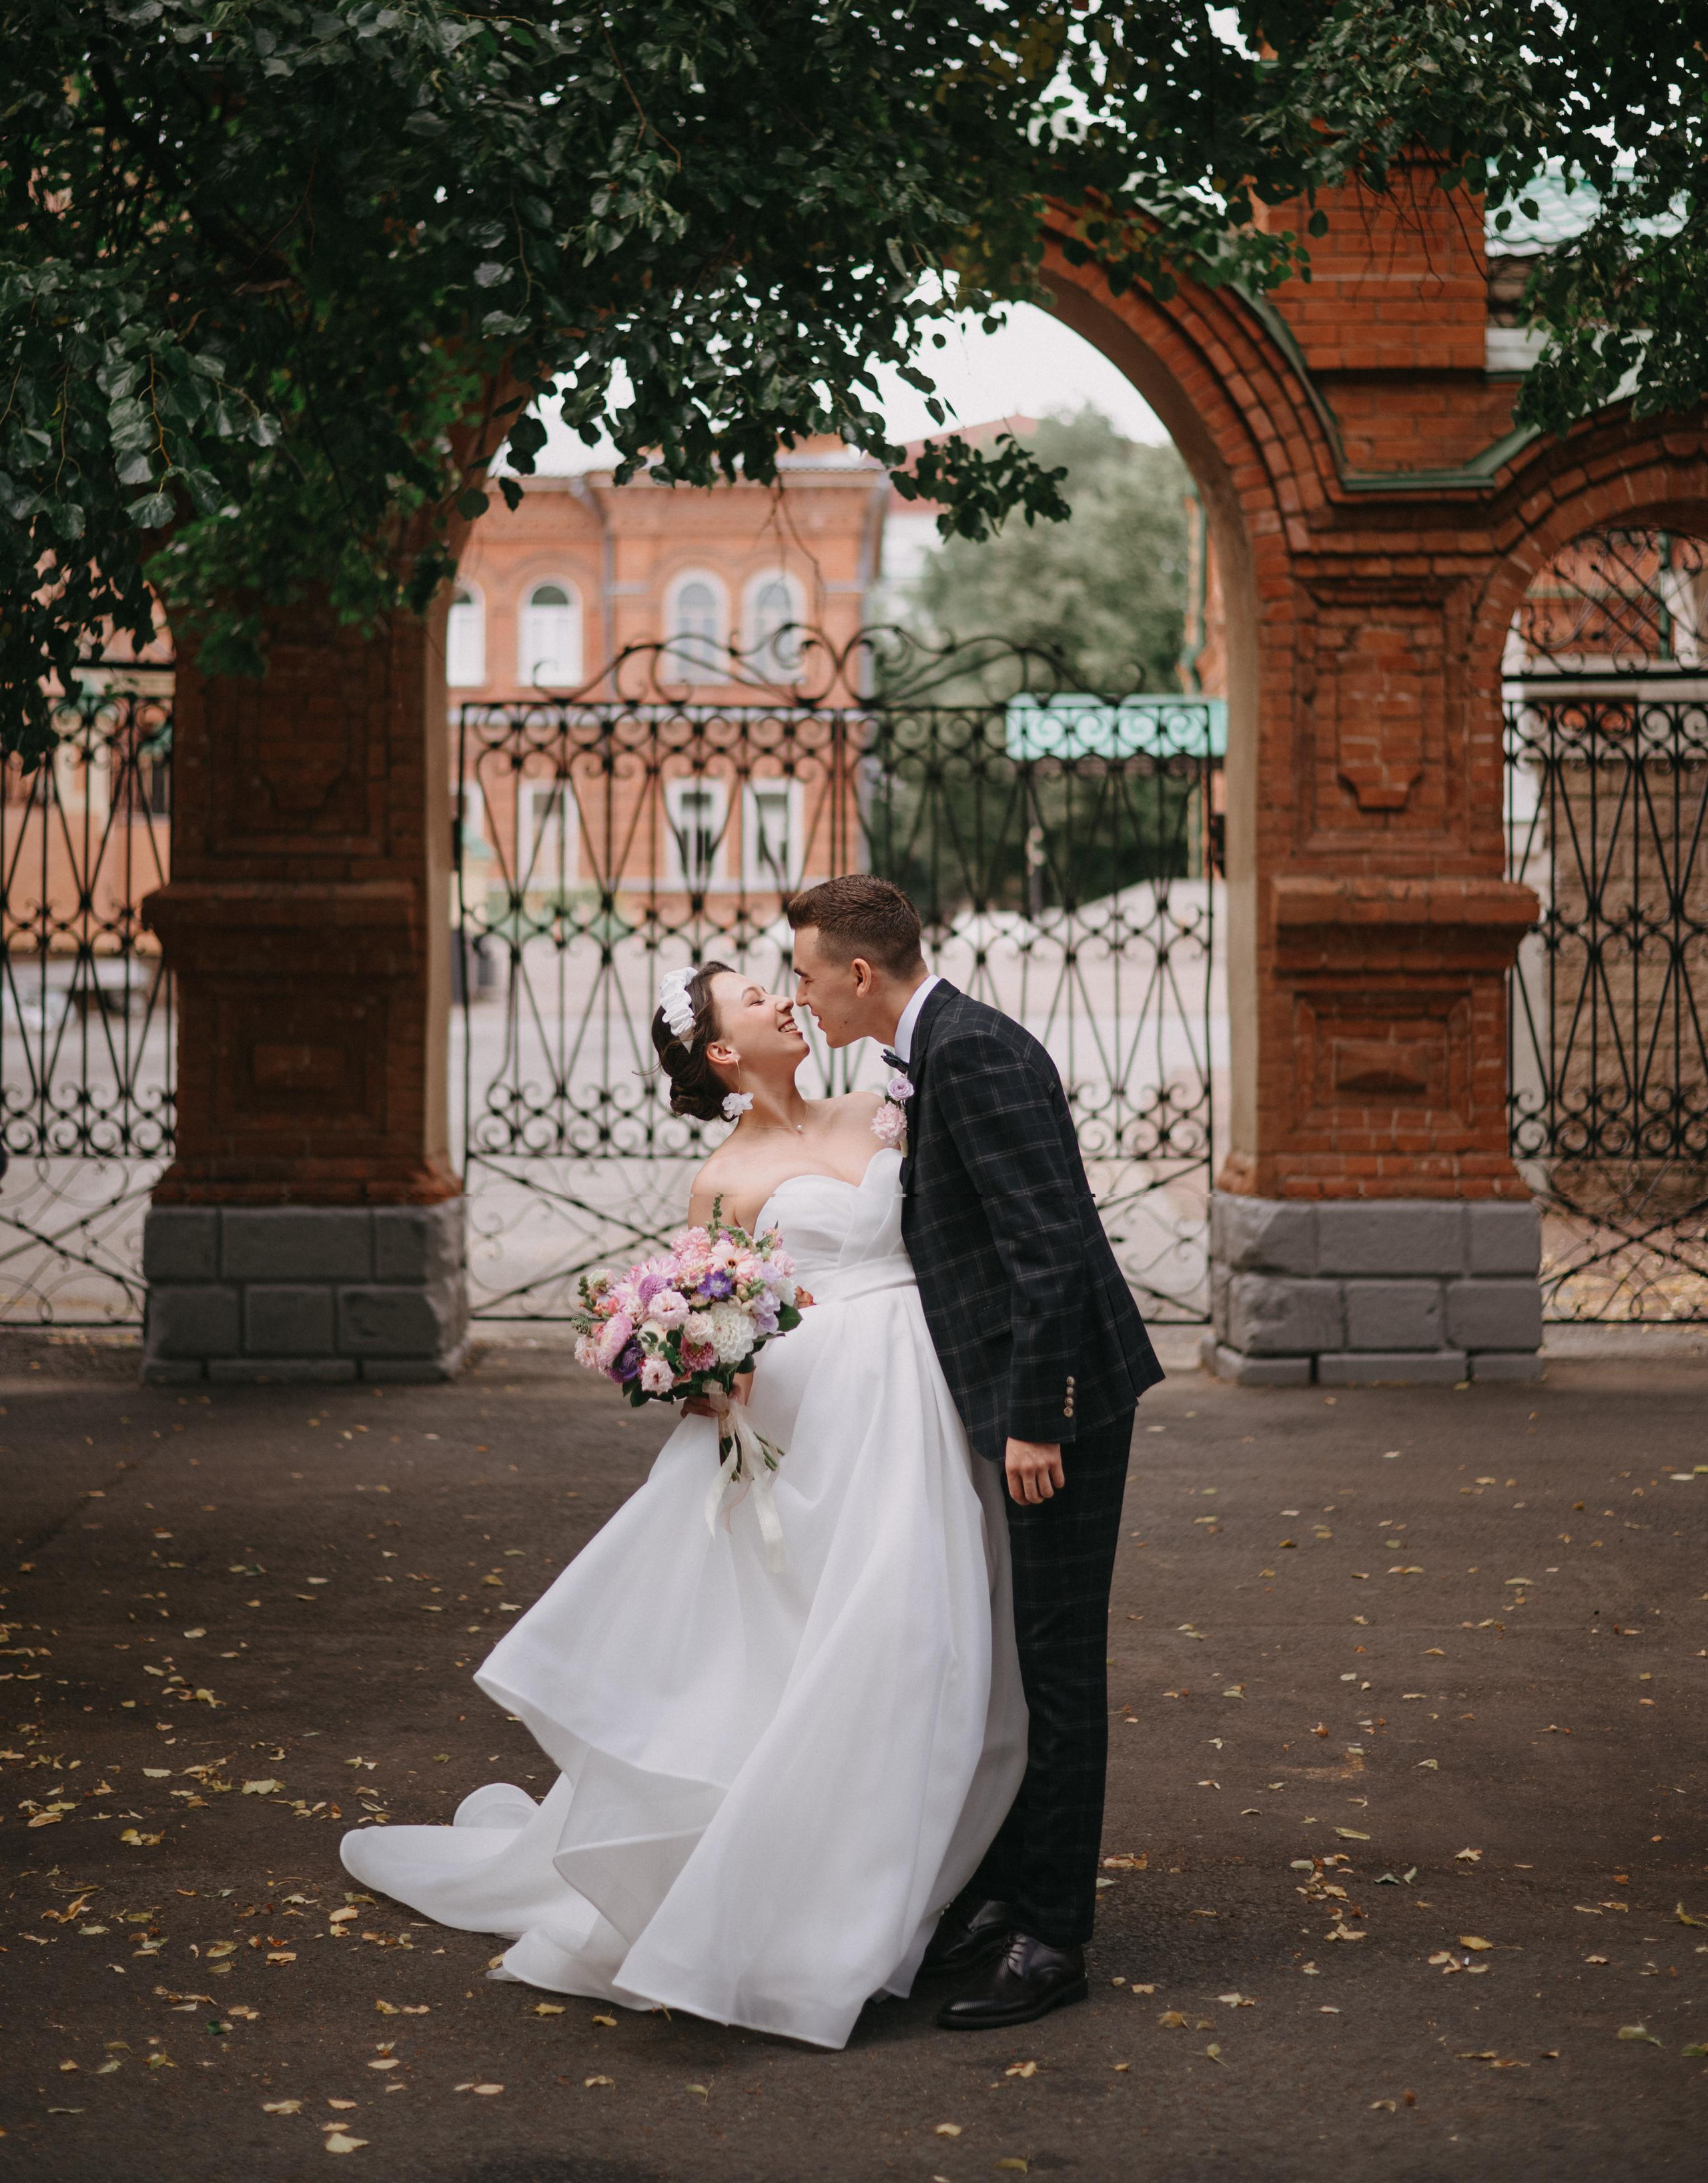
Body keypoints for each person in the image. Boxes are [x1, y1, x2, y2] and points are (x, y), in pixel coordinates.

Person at [338, 963, 1026, 2051]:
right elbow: (712, 1317)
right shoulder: (722, 1177)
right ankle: (806, 1911)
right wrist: (698, 1372)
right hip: (814, 1429)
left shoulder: (885, 1104)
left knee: (926, 1643)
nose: (784, 998)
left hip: (919, 1404)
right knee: (826, 1657)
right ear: (720, 1051)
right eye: (758, 995)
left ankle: (910, 1887)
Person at [789, 875, 1164, 2031]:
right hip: (1016, 1396)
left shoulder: (974, 1053)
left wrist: (1037, 1415)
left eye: (804, 973)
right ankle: (1007, 1888)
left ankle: (1055, 1934)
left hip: (1063, 1402)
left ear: (860, 973)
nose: (798, 995)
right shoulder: (933, 1047)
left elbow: (1049, 1249)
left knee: (1055, 1660)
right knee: (1017, 1649)